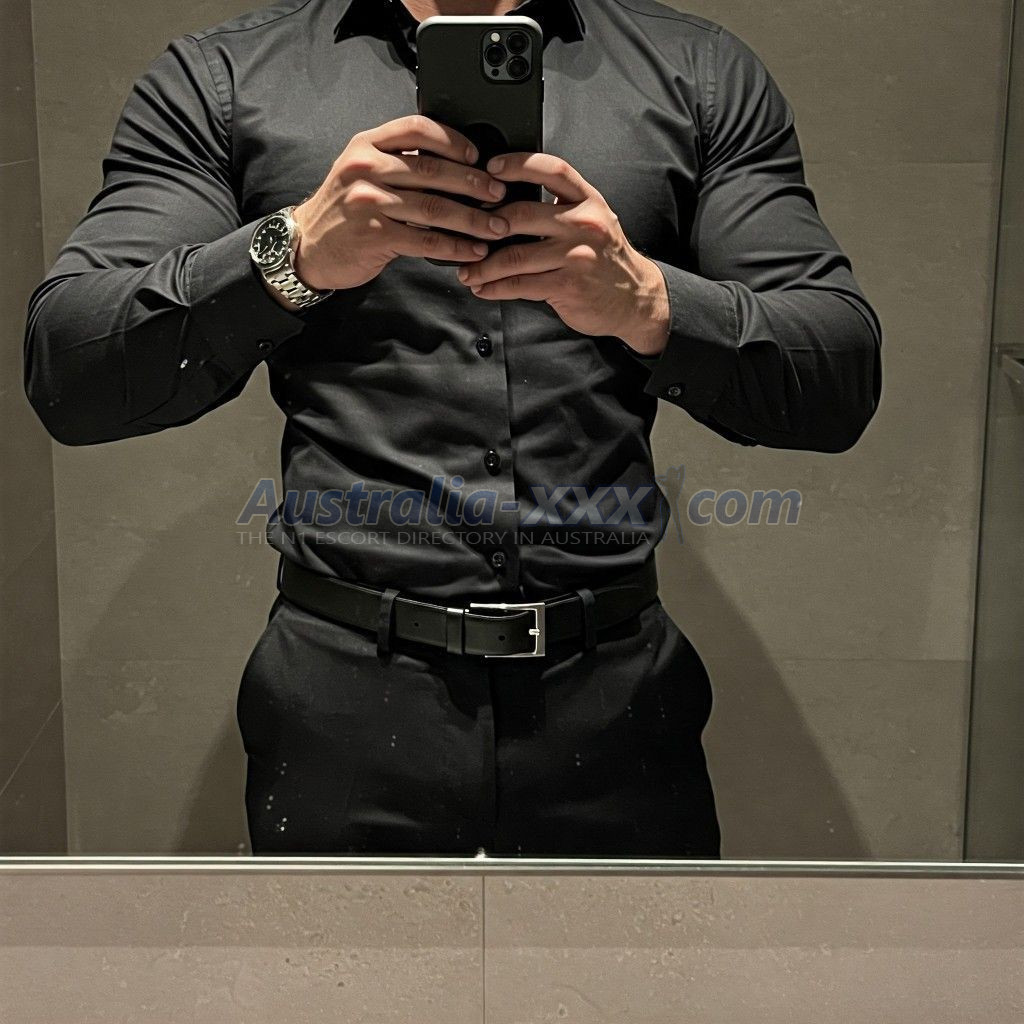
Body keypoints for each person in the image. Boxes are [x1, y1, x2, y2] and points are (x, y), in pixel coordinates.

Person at [23, 0, 882, 858]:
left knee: (632, 957)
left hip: (619, 707)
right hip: (340, 707)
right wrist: (294, 253)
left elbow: (837, 375)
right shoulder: (224, 80)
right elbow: (72, 372)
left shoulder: (698, 74)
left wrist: (647, 303)